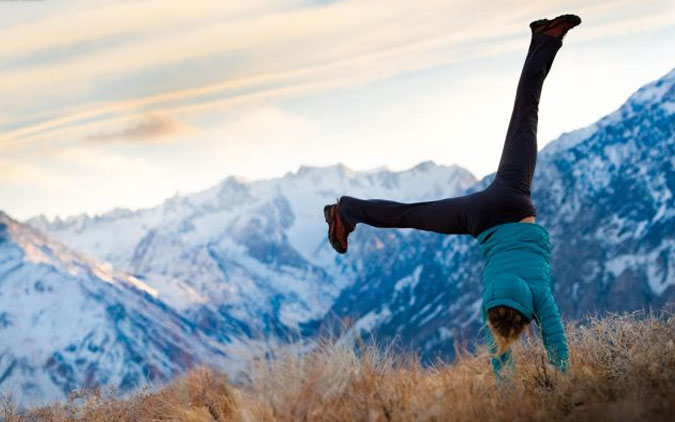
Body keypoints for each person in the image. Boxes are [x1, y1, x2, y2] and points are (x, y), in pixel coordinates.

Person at [323, 14, 582, 377]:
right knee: (410, 215)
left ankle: (546, 39)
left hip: (512, 199)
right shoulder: (491, 301)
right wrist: (508, 396)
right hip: (479, 219)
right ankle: (347, 211)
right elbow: (500, 357)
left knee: (526, 116)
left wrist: (564, 374)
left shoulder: (538, 294)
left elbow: (555, 341)